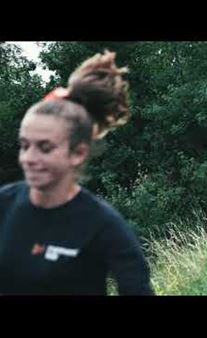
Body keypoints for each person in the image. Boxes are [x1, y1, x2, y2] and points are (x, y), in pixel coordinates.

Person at [0, 51, 153, 295]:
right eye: (24, 145)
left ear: (78, 153)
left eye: (45, 148)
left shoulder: (102, 225)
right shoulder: (4, 204)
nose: (29, 158)